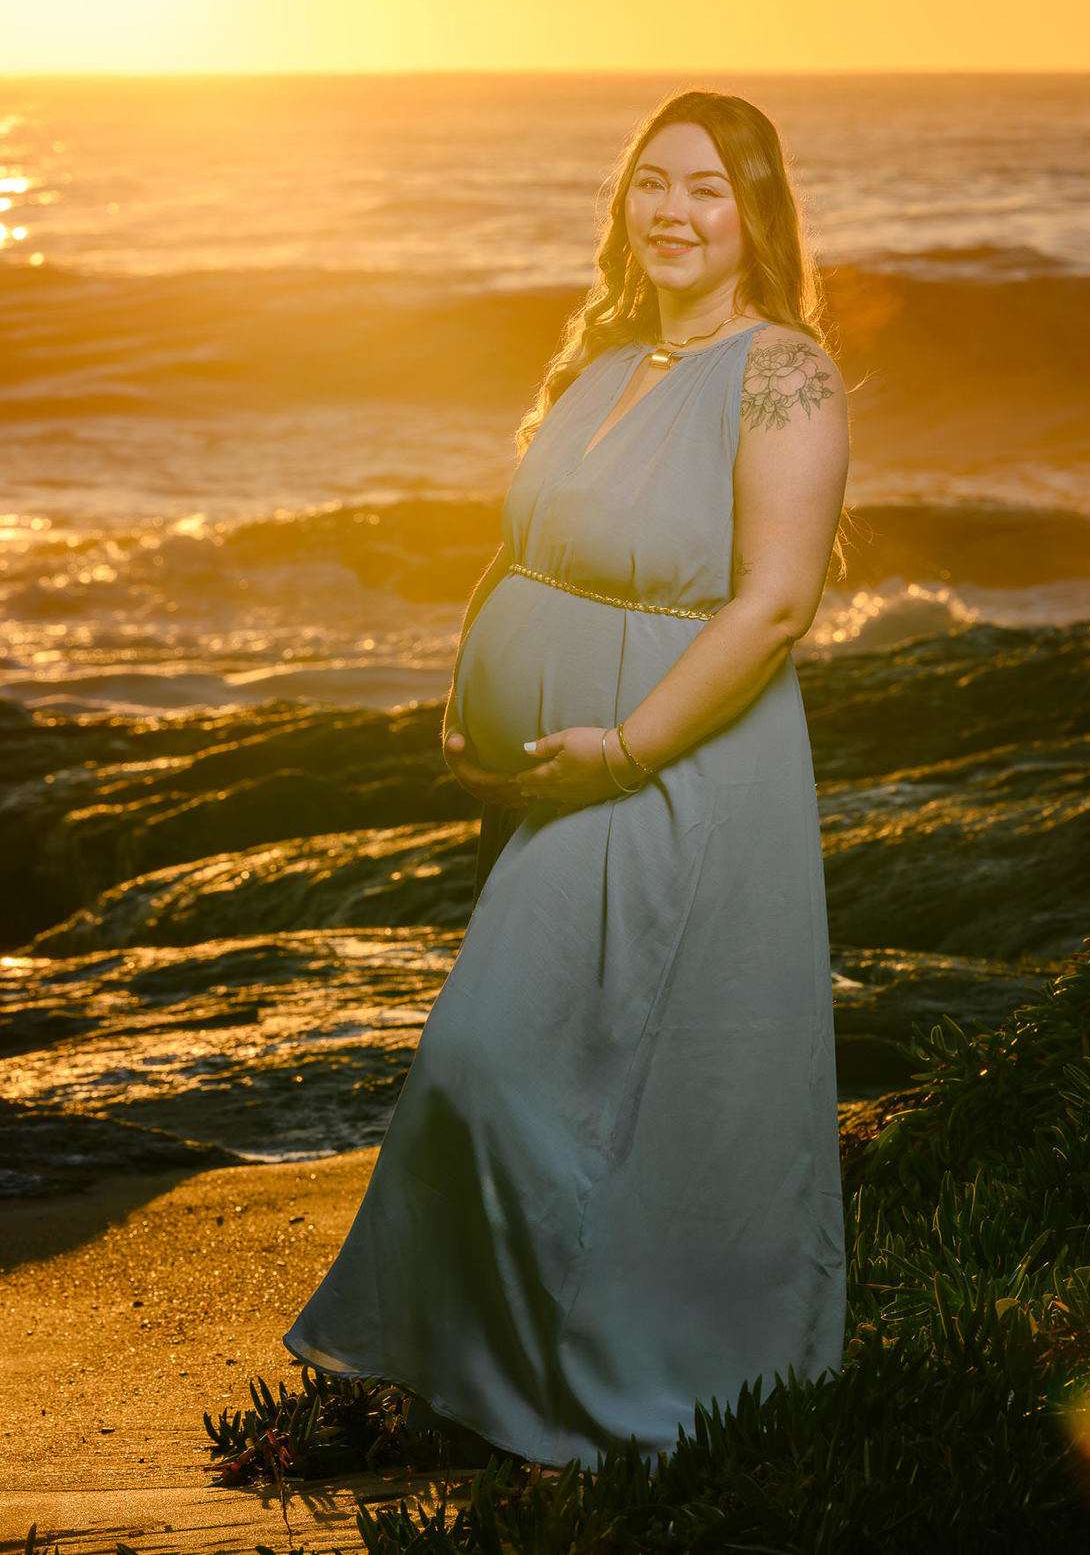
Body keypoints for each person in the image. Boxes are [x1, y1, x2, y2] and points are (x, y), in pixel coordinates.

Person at [283, 87, 851, 1476]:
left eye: (709, 188)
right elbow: (524, 548)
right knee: (570, 1066)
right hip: (566, 777)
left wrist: (632, 748)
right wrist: (465, 691)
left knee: (507, 1065)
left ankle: (650, 1383)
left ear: (757, 215)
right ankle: (504, 1381)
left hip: (676, 771)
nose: (674, 211)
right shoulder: (606, 359)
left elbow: (777, 604)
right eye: (652, 181)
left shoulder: (782, 371)